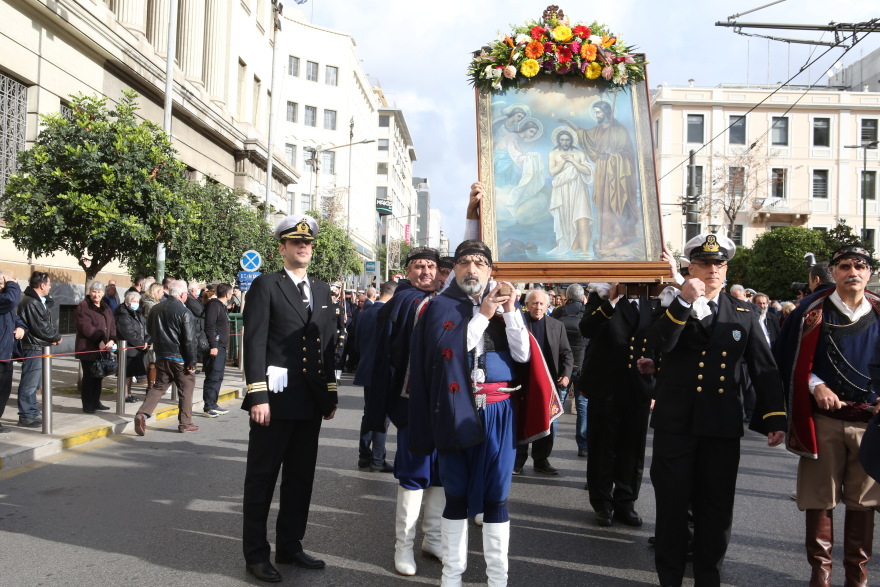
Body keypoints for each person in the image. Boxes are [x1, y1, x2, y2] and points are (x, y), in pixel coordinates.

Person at [409, 239, 559, 587]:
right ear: (455, 270)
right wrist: (483, 316)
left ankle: (497, 579)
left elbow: (522, 356)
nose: (472, 269)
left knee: (496, 494)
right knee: (456, 492)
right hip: (455, 409)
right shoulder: (440, 307)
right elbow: (446, 354)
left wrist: (509, 313)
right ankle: (451, 577)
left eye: (479, 263)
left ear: (490, 271)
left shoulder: (506, 306)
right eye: (464, 263)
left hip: (498, 411)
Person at [648, 233, 786, 587]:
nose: (713, 270)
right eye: (705, 264)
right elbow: (661, 343)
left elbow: (764, 367)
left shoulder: (744, 312)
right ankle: (670, 578)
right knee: (673, 508)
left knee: (716, 510)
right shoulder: (669, 305)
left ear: (726, 270)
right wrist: (682, 301)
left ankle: (709, 578)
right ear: (690, 267)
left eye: (719, 264)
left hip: (721, 426)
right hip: (676, 425)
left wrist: (774, 416)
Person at [240, 214, 338, 583]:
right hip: (275, 402)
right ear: (281, 248)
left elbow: (326, 346)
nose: (303, 248)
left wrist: (329, 393)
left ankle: (290, 545)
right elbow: (255, 343)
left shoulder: (323, 288)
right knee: (262, 479)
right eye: (296, 242)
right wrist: (258, 395)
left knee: (301, 478)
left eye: (308, 243)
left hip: (309, 402)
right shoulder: (267, 285)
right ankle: (256, 553)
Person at [775, 245, 880, 587]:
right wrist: (815, 383)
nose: (853, 271)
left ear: (869, 273)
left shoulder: (879, 311)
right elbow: (786, 358)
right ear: (833, 272)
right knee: (821, 498)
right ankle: (820, 574)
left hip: (870, 423)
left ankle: (857, 576)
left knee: (864, 501)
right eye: (845, 265)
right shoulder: (810, 311)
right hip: (824, 420)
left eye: (860, 266)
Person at [364, 246, 444, 577]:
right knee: (414, 475)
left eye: (430, 266)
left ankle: (433, 539)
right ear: (407, 272)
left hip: (447, 405)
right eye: (418, 266)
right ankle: (404, 547)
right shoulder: (408, 299)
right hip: (415, 403)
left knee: (440, 475)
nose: (425, 272)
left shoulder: (441, 298)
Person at [579, 282, 655, 528]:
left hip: (639, 386)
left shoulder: (652, 298)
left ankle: (626, 501)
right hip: (606, 385)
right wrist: (610, 302)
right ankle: (602, 502)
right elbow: (587, 328)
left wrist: (657, 383)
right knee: (603, 446)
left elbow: (660, 340)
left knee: (632, 447)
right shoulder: (600, 296)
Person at [559, 101, 641, 257]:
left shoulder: (619, 130)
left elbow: (629, 154)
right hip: (602, 169)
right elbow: (584, 134)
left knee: (615, 202)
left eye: (598, 112)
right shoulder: (597, 130)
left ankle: (618, 237)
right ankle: (608, 236)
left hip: (617, 172)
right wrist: (569, 123)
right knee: (603, 204)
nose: (596, 115)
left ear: (606, 112)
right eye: (595, 113)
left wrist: (614, 154)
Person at [514, 289, 572, 475]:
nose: (537, 307)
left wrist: (566, 374)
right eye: (534, 303)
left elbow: (567, 353)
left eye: (541, 303)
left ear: (548, 305)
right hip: (522, 380)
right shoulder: (518, 322)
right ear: (527, 305)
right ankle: (518, 461)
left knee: (547, 422)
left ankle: (541, 460)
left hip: (548, 382)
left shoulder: (557, 325)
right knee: (521, 420)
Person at [133, 279, 198, 435]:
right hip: (179, 357)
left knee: (159, 386)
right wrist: (192, 361)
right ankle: (185, 422)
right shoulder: (184, 312)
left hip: (162, 355)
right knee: (186, 388)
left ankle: (142, 413)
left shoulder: (156, 309)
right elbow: (189, 339)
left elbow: (150, 329)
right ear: (183, 294)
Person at [354, 281, 397, 471]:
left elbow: (356, 344)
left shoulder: (364, 313)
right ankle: (378, 460)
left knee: (368, 413)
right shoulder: (390, 314)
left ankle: (364, 455)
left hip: (366, 369)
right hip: (384, 372)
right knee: (382, 416)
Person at [16, 271, 62, 427]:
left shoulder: (38, 301)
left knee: (36, 384)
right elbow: (41, 327)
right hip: (33, 346)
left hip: (40, 345)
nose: (50, 287)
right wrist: (56, 337)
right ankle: (26, 414)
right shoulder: (31, 302)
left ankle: (32, 411)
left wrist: (51, 338)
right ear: (42, 285)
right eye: (49, 284)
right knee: (30, 382)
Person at [551, 283, 589, 456]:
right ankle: (583, 445)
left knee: (557, 404)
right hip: (582, 365)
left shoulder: (559, 312)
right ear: (582, 298)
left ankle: (548, 443)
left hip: (562, 365)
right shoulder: (587, 312)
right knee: (582, 405)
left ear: (567, 297)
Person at [547, 127, 593, 255]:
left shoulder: (579, 154)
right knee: (567, 222)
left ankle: (584, 252)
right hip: (562, 191)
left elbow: (587, 171)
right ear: (558, 141)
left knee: (582, 218)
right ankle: (574, 250)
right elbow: (552, 172)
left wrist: (572, 160)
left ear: (571, 140)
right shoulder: (553, 154)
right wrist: (563, 162)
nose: (565, 142)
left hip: (579, 189)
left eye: (567, 140)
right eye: (562, 140)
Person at [74, 281, 117, 414]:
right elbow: (86, 327)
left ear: (103, 293)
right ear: (90, 292)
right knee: (89, 377)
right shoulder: (84, 306)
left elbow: (112, 325)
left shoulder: (105, 306)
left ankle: (96, 401)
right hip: (88, 348)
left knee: (99, 376)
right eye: (94, 291)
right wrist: (99, 339)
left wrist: (112, 339)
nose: (96, 294)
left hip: (103, 348)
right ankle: (88, 405)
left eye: (99, 292)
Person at [0, 272, 27, 432]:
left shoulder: (6, 302)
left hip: (6, 355)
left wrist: (21, 328)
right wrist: (12, 283)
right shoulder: (5, 299)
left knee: (4, 391)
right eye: (3, 283)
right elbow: (12, 300)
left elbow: (16, 318)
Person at [202, 283, 232, 417]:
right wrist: (213, 345)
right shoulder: (214, 305)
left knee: (218, 376)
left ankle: (213, 403)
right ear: (228, 294)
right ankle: (209, 406)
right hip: (216, 347)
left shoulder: (221, 306)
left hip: (221, 347)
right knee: (213, 376)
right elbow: (209, 326)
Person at [114, 290, 149, 403]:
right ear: (127, 302)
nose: (136, 303)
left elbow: (145, 327)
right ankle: (124, 395)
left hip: (137, 349)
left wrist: (146, 341)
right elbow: (128, 333)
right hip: (128, 348)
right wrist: (140, 344)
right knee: (126, 373)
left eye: (137, 301)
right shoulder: (123, 315)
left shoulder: (138, 313)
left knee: (131, 373)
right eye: (133, 301)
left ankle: (128, 393)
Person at [141, 282, 165, 389]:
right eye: (161, 291)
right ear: (157, 292)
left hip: (157, 335)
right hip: (152, 335)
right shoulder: (150, 305)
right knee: (152, 361)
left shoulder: (155, 303)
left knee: (156, 361)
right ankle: (151, 386)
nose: (163, 294)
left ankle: (156, 383)